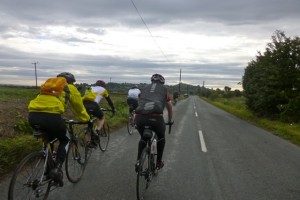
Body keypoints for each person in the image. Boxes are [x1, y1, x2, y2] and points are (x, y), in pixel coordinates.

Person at [28, 72, 90, 186]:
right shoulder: (70, 88)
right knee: (65, 139)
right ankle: (56, 169)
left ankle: (48, 169)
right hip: (51, 117)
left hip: (32, 116)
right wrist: (86, 119)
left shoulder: (49, 87)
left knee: (49, 139)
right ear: (71, 81)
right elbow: (79, 107)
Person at [134, 74, 173, 171]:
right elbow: (169, 107)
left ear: (151, 81)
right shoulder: (164, 89)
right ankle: (159, 162)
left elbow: (139, 102)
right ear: (162, 82)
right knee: (161, 138)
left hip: (140, 117)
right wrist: (170, 120)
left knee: (143, 138)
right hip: (156, 118)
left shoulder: (144, 88)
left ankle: (138, 162)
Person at [82, 80, 116, 146]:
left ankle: (88, 142)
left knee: (89, 123)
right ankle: (97, 130)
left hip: (84, 105)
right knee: (102, 118)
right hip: (93, 105)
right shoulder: (103, 89)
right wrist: (113, 109)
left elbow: (86, 97)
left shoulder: (89, 88)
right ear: (103, 86)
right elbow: (109, 101)